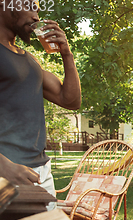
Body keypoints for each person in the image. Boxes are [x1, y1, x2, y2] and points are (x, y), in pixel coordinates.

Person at [0, 2, 81, 202]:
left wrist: (67, 54)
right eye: (28, 6)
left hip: (41, 173)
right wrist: (3, 167)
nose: (36, 16)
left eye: (37, 9)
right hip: (8, 174)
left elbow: (70, 100)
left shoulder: (30, 60)